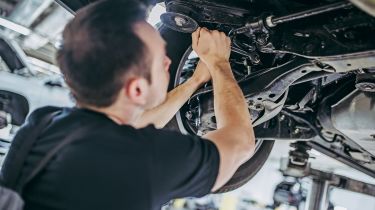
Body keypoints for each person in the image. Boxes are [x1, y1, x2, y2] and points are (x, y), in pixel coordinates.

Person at [0, 0, 256, 209]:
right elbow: (240, 143)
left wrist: (196, 81)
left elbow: (133, 127)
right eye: (161, 60)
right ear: (135, 89)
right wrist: (219, 62)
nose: (169, 64)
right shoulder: (147, 161)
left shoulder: (43, 124)